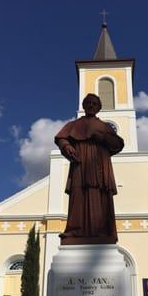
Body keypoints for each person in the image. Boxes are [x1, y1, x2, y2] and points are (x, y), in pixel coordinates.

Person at [54, 93, 124, 245]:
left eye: (94, 104)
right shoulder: (74, 125)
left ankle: (102, 229)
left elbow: (118, 144)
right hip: (80, 163)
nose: (91, 106)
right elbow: (61, 138)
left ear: (99, 107)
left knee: (99, 195)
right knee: (78, 194)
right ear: (84, 106)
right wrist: (67, 147)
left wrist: (103, 138)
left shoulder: (104, 127)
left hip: (100, 165)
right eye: (88, 103)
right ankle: (74, 229)